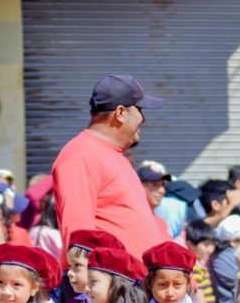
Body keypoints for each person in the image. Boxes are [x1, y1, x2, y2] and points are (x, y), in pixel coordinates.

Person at [52, 74, 167, 258]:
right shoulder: (81, 155)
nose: (143, 120)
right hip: (110, 283)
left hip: (129, 283)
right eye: (140, 110)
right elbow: (79, 237)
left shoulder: (113, 154)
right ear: (121, 113)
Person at [137, 164, 173, 240]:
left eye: (163, 185)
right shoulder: (132, 220)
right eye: (155, 185)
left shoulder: (162, 223)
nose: (162, 191)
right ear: (140, 185)